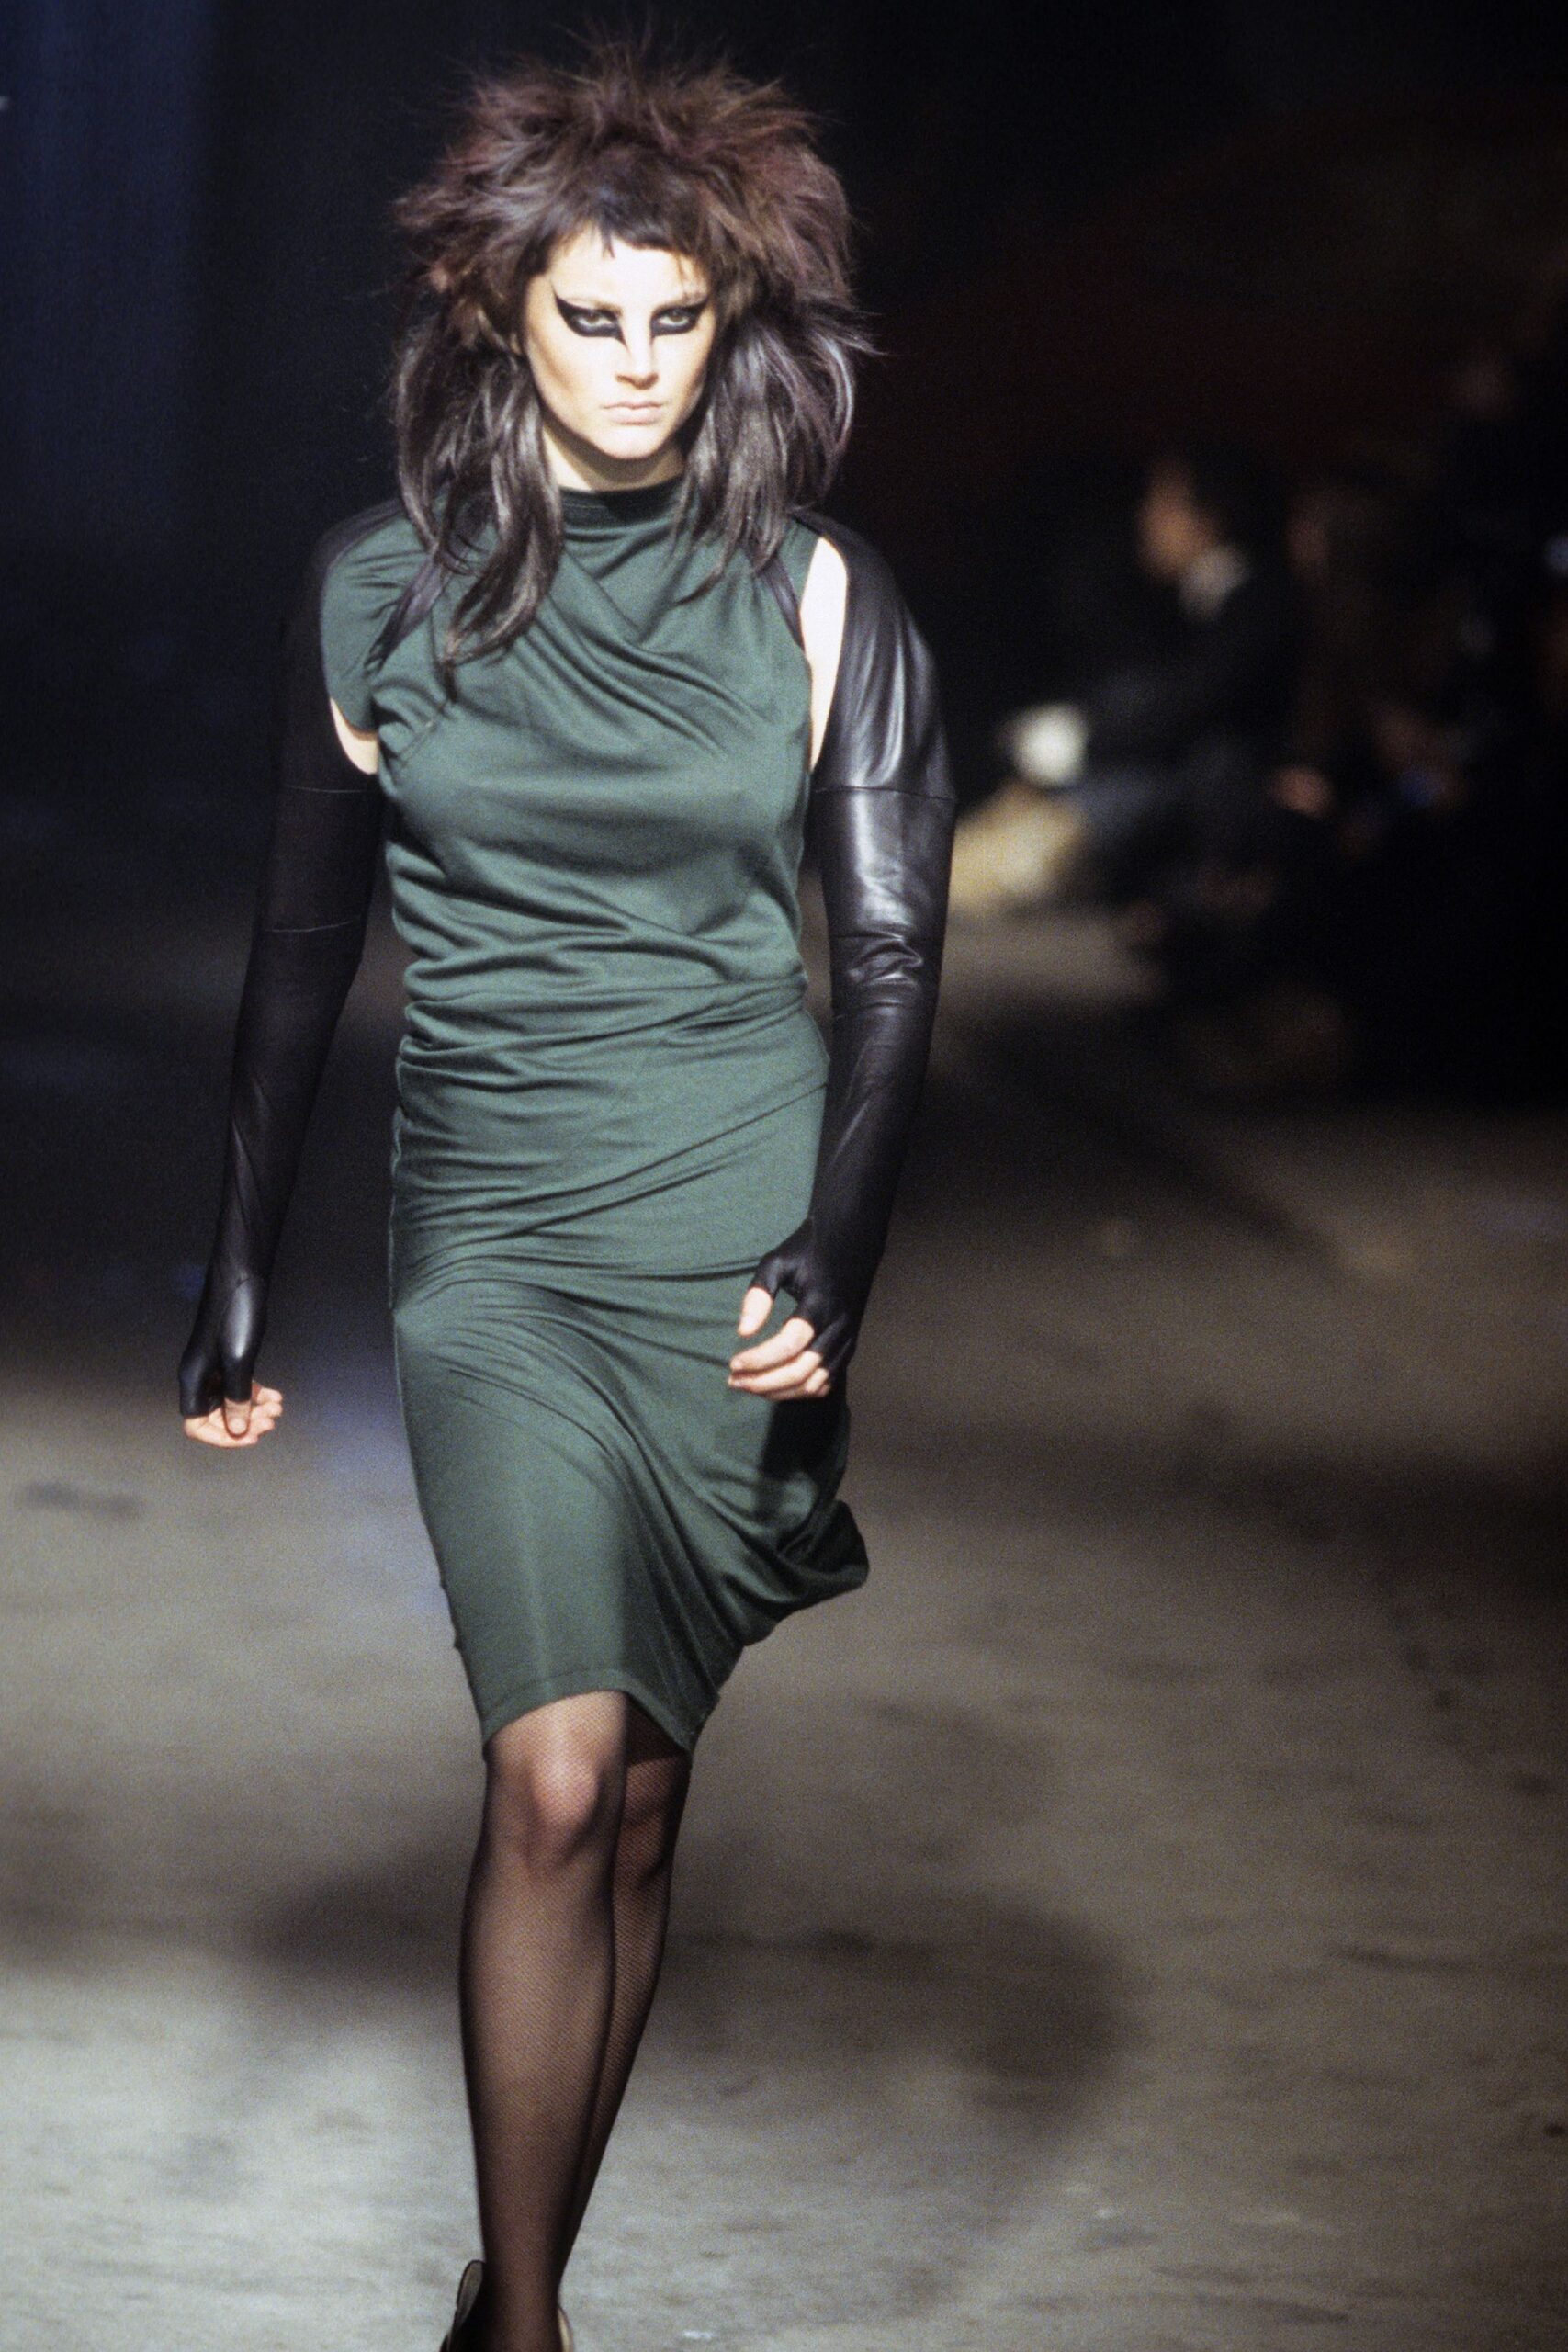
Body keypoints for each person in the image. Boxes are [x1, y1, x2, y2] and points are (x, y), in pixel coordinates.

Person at [175, 46, 954, 2352]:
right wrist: (236, 1264)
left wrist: (835, 1244)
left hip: (731, 1206)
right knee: (548, 1775)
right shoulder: (373, 595)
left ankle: (501, 2289)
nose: (631, 366)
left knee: (640, 1798)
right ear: (494, 316)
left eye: (673, 321)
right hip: (494, 1230)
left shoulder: (819, 597)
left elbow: (892, 959)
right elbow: (298, 954)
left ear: (730, 325)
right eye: (587, 319)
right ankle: (523, 2326)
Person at [949, 441, 1298, 919]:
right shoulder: (1193, 598)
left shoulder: (1256, 604)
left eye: (1163, 504)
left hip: (1213, 790)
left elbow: (1194, 709)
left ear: (1208, 519)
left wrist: (1086, 739)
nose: (1146, 519)